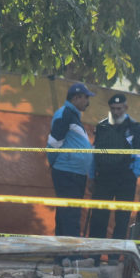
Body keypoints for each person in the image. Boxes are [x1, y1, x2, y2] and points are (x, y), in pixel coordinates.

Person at [87, 93, 140, 240]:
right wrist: (91, 176)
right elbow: (94, 153)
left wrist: (134, 175)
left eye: (119, 108)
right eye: (113, 108)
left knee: (122, 220)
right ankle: (94, 257)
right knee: (98, 218)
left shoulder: (134, 127)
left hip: (125, 179)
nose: (116, 112)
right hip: (104, 178)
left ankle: (114, 257)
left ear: (125, 107)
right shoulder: (102, 126)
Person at [47, 82, 95, 236]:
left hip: (73, 172)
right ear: (76, 97)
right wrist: (56, 165)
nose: (88, 102)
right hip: (67, 172)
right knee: (71, 215)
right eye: (86, 98)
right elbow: (53, 144)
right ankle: (73, 256)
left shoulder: (72, 115)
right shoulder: (65, 114)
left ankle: (62, 256)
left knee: (65, 214)